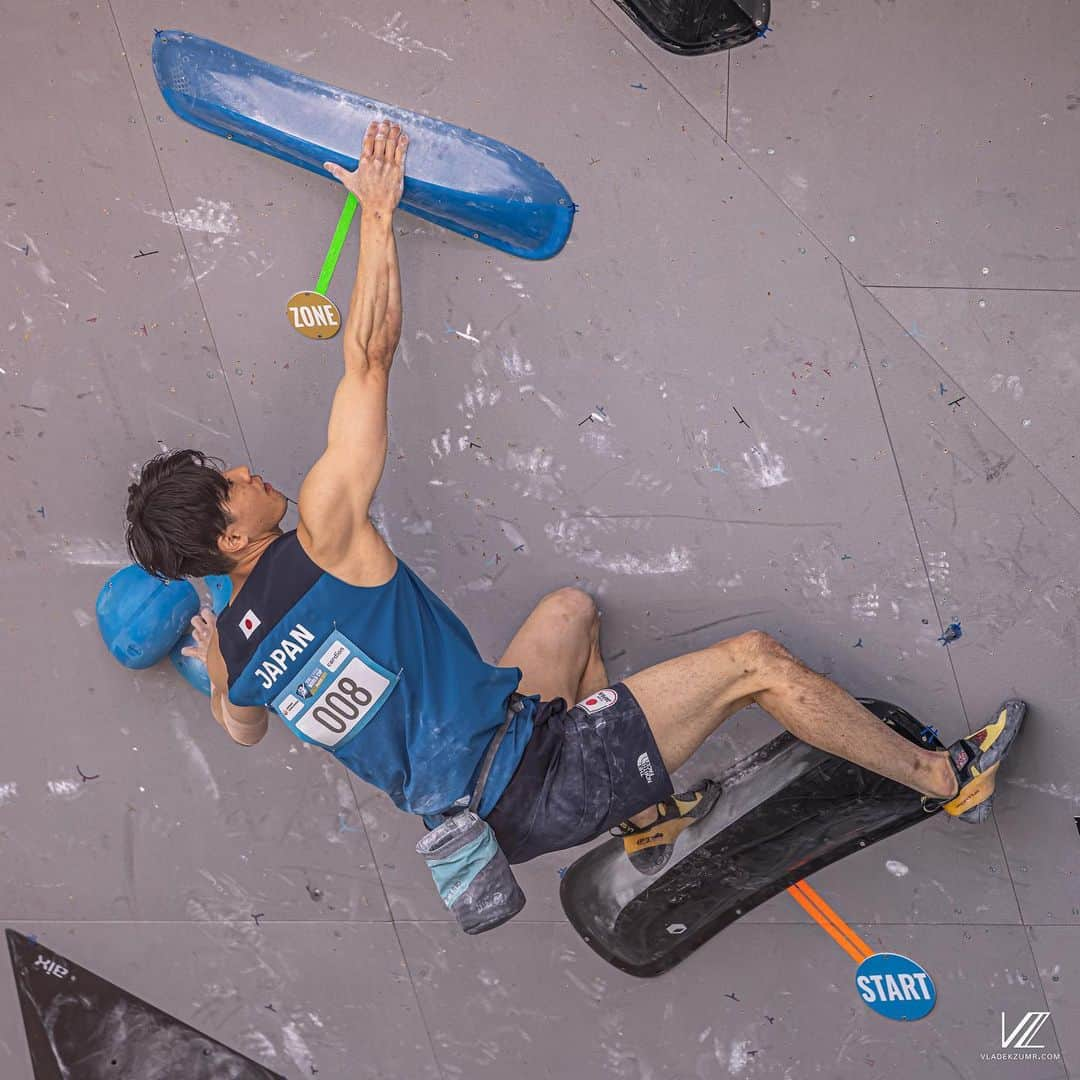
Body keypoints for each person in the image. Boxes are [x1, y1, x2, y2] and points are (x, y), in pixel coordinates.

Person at [124, 120, 1026, 879]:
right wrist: (378, 215)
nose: (244, 471)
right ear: (233, 531)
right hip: (537, 777)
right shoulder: (318, 536)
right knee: (756, 663)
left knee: (569, 615)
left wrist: (215, 631)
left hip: (485, 798)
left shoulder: (241, 657)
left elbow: (238, 728)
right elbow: (367, 358)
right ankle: (948, 781)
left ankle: (649, 817)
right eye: (227, 486)